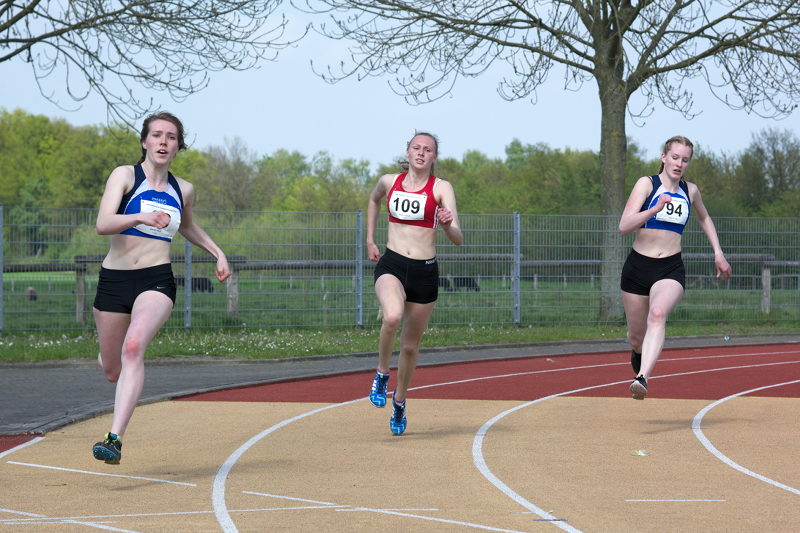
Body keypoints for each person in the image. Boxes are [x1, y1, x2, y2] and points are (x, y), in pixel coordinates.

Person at [91, 112, 230, 463]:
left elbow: (187, 227)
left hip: (156, 279)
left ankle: (114, 439)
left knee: (135, 346)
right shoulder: (124, 175)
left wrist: (217, 252)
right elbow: (103, 223)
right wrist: (140, 216)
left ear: (178, 146)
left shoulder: (183, 189)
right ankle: (116, 367)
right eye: (157, 135)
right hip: (114, 279)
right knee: (112, 368)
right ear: (145, 141)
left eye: (171, 137)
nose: (164, 141)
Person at [619, 135, 731, 400]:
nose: (679, 163)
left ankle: (642, 378)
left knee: (657, 314)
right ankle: (638, 356)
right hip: (637, 267)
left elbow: (704, 218)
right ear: (664, 158)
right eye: (675, 157)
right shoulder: (647, 184)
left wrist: (718, 252)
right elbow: (624, 226)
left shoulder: (690, 191)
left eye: (685, 159)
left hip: (670, 268)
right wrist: (654, 208)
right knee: (636, 337)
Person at [366, 132, 463, 435]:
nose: (421, 153)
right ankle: (382, 373)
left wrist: (447, 225)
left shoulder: (441, 188)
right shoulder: (388, 181)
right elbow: (373, 200)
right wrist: (370, 238)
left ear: (434, 157)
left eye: (428, 150)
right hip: (392, 263)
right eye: (416, 148)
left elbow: (458, 238)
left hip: (424, 271)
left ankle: (400, 400)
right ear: (407, 152)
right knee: (392, 316)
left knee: (409, 347)